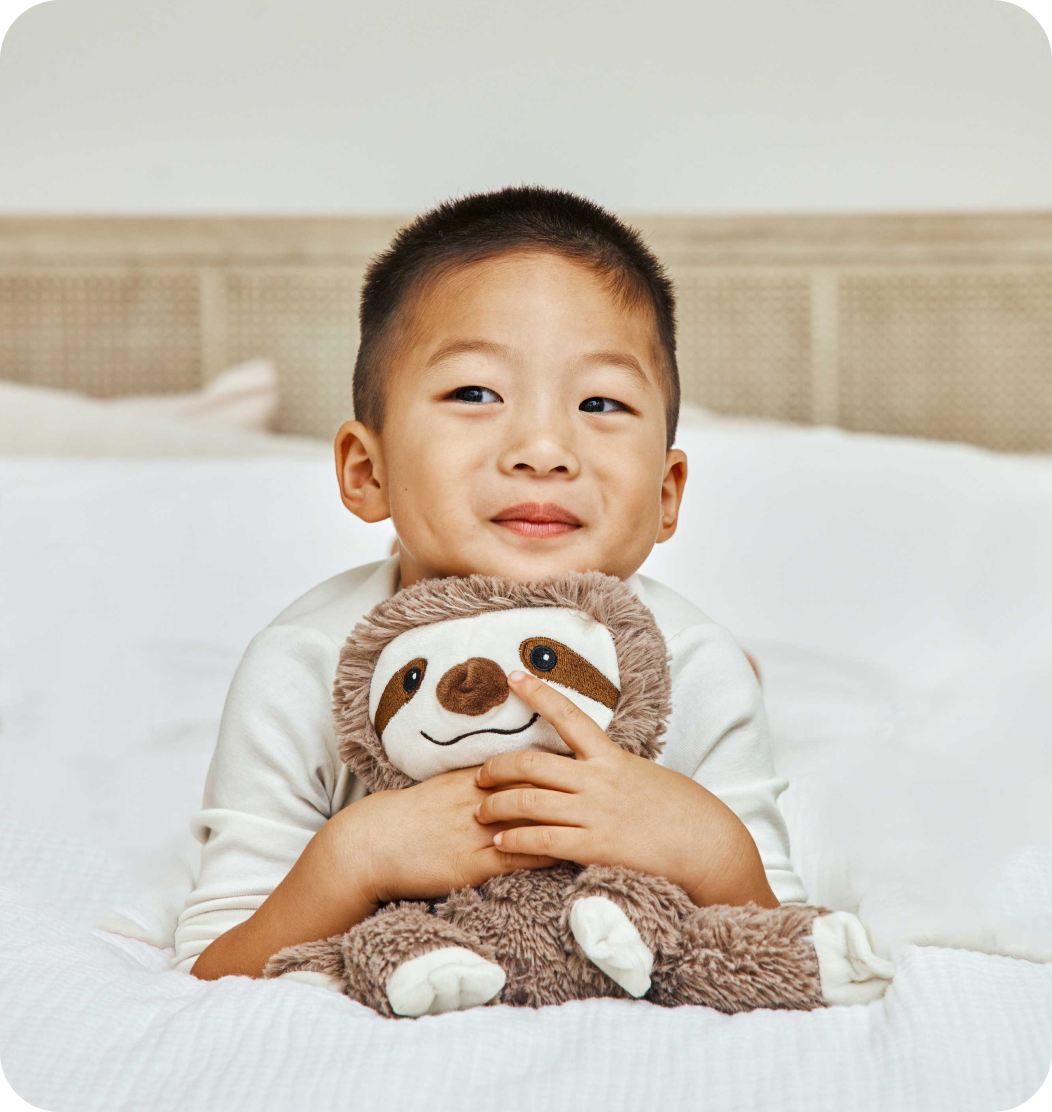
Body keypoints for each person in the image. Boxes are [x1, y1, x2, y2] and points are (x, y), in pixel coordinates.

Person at [178, 186, 806, 985]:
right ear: (367, 472)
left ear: (667, 495)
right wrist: (352, 858)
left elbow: (789, 950)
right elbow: (211, 965)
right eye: (475, 393)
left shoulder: (695, 668)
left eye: (602, 402)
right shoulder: (301, 664)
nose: (544, 448)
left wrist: (707, 846)